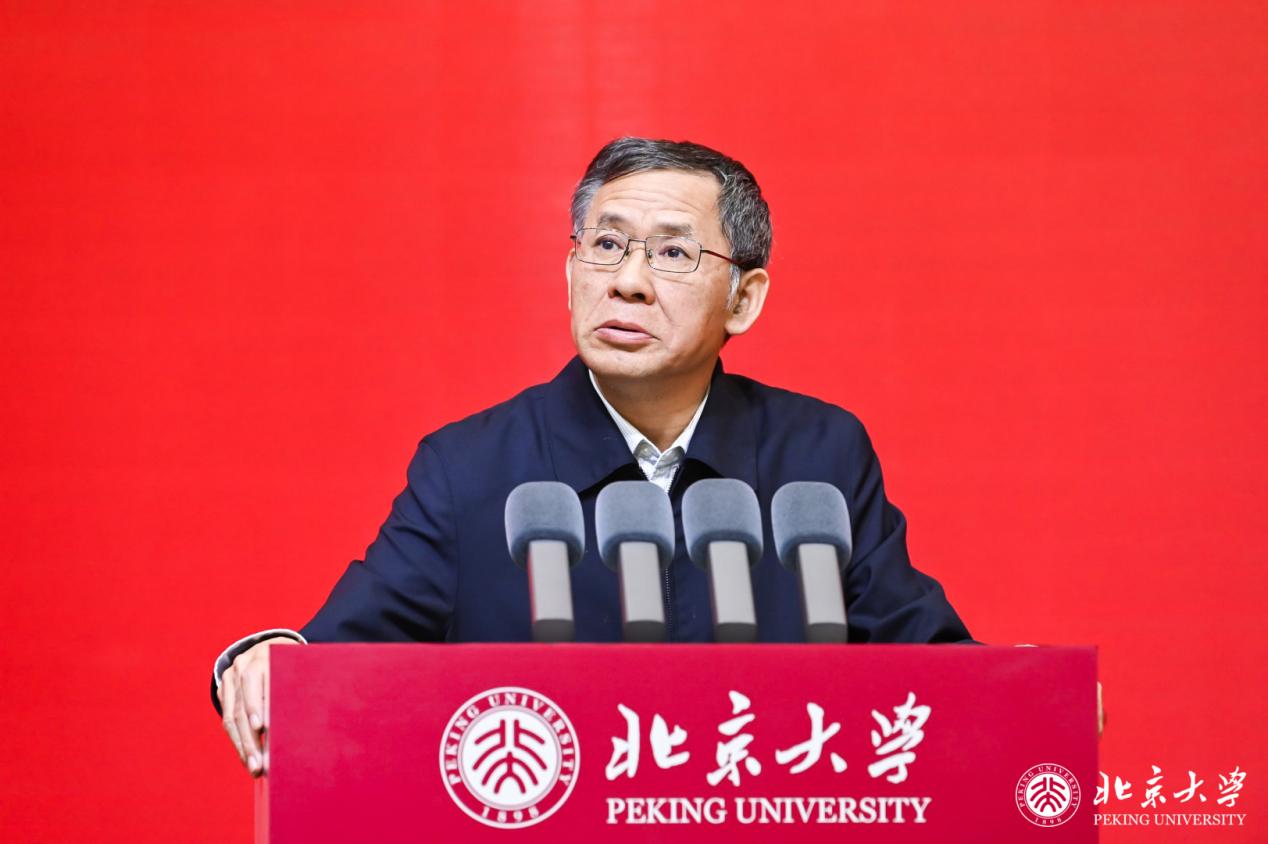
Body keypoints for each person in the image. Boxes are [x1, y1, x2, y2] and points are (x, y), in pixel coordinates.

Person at [213, 137, 978, 778]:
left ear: (743, 299)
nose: (627, 282)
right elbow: (329, 654)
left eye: (672, 252)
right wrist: (264, 659)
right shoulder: (470, 469)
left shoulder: (817, 454)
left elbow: (932, 666)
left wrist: (1021, 694)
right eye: (606, 245)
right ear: (570, 271)